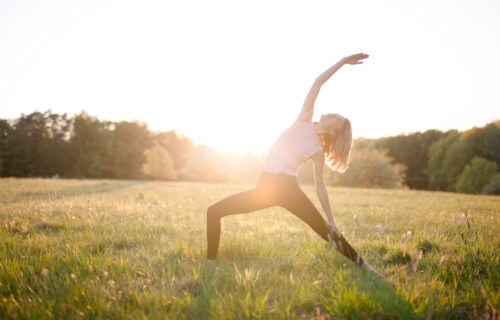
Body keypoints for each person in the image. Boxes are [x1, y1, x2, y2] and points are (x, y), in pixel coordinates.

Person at [206, 53, 377, 273]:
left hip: (287, 189)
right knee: (214, 211)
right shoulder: (304, 118)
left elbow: (320, 187)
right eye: (336, 114)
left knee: (325, 231)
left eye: (337, 118)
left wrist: (331, 219)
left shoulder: (318, 151)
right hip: (264, 189)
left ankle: (366, 267)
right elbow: (318, 82)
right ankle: (210, 263)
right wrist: (343, 62)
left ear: (335, 131)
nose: (333, 114)